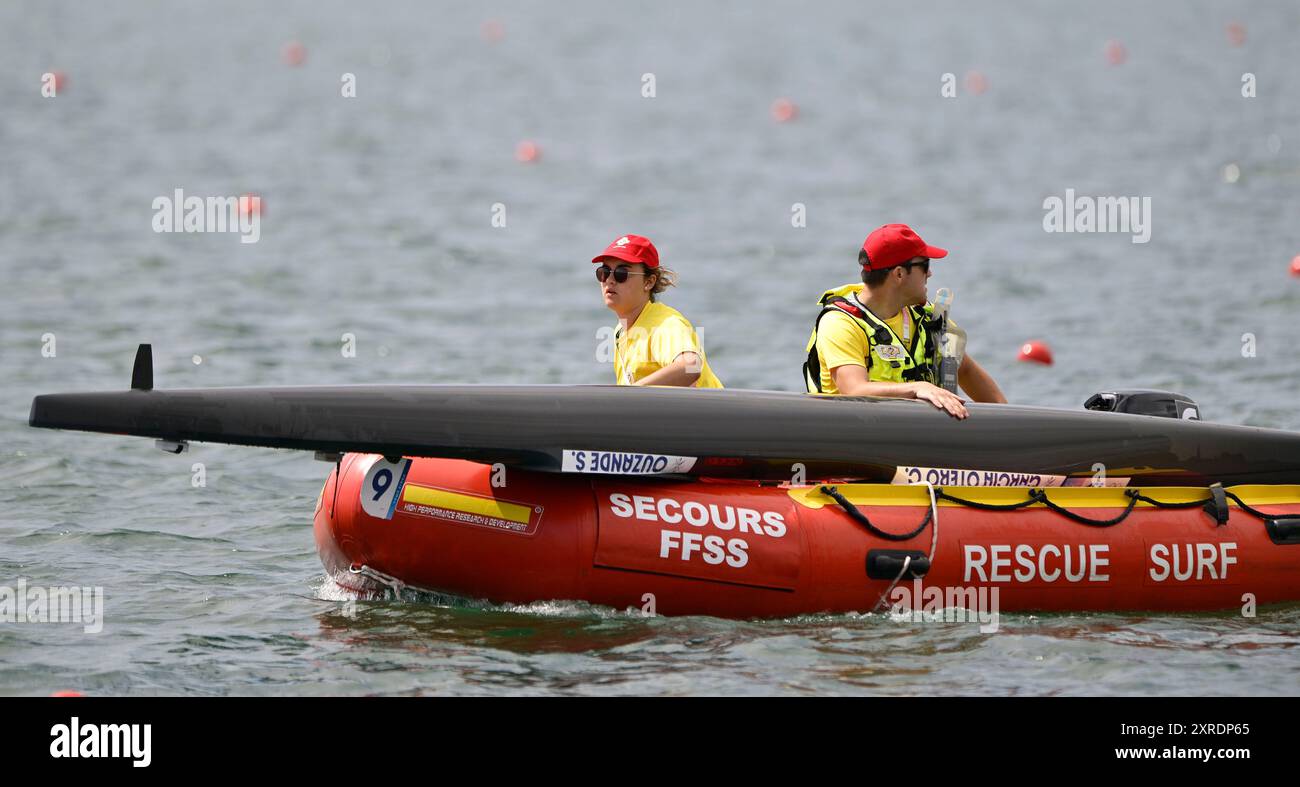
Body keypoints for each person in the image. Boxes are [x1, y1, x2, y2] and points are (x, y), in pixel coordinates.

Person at [802, 223, 1005, 419]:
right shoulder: (840, 324)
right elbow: (854, 389)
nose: (930, 273)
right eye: (925, 266)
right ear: (899, 274)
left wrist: (1011, 429)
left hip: (920, 443)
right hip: (852, 443)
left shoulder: (929, 320)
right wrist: (917, 388)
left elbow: (966, 370)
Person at [593, 234, 723, 388]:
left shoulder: (664, 324)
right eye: (604, 272)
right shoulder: (620, 331)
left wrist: (632, 393)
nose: (609, 280)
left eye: (622, 273)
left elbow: (691, 366)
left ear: (648, 282)